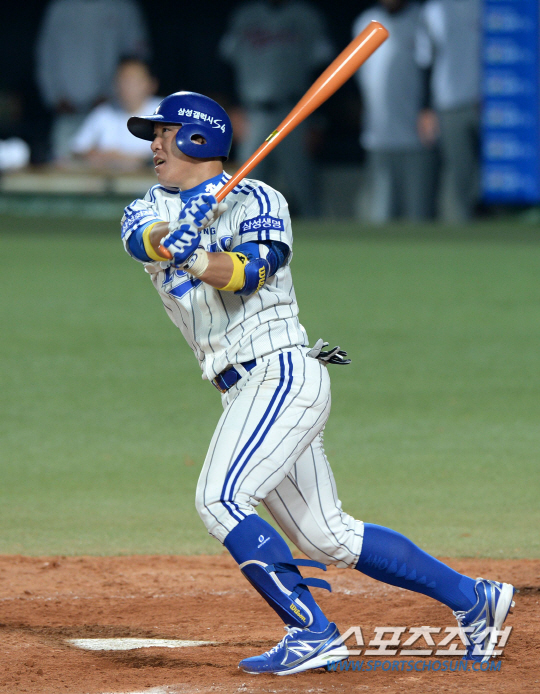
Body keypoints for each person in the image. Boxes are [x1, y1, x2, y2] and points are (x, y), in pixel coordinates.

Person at [121, 91, 514, 675]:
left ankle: (312, 632)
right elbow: (144, 239)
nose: (154, 144)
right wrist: (172, 239)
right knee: (327, 536)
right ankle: (475, 598)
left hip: (281, 375)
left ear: (197, 137)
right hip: (242, 390)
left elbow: (248, 273)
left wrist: (199, 256)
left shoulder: (261, 200)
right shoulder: (145, 207)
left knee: (219, 499)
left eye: (163, 132)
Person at [218, 0, 333, 217]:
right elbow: (226, 65)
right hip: (253, 113)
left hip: (294, 112)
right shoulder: (244, 15)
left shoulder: (306, 16)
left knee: (304, 188)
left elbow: (322, 70)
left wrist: (318, 119)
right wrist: (233, 108)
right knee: (245, 189)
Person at [353, 0, 437, 222]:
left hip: (416, 136)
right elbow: (360, 77)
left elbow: (433, 67)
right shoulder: (364, 22)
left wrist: (429, 109)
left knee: (419, 214)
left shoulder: (423, 18)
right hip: (378, 135)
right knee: (380, 214)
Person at [36, 0, 150, 161]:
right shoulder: (60, 8)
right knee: (64, 160)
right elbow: (46, 55)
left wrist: (111, 93)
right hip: (68, 110)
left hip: (113, 105)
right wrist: (55, 96)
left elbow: (135, 54)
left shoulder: (122, 7)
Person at [415, 0, 481, 222]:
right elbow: (425, 61)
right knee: (460, 171)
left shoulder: (490, 5)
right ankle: (465, 226)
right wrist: (426, 108)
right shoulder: (434, 10)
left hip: (492, 101)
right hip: (449, 102)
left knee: (497, 171)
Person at [70, 58, 160, 171]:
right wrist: (97, 156)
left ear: (151, 84)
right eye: (122, 80)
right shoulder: (103, 113)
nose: (127, 87)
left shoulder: (165, 111)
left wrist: (129, 160)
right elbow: (77, 150)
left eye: (133, 81)